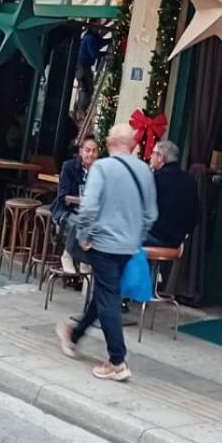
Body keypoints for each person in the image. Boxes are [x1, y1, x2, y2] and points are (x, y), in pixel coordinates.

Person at [56, 122, 156, 382]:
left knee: (108, 297)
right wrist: (136, 237)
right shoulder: (144, 170)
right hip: (128, 246)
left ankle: (117, 361)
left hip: (103, 243)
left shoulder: (102, 168)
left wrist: (83, 236)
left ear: (110, 143)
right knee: (105, 292)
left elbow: (89, 208)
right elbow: (150, 214)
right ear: (132, 144)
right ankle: (74, 335)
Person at [52, 135, 99, 268]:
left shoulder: (99, 171)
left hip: (89, 213)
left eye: (94, 151)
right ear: (81, 151)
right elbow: (63, 196)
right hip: (67, 211)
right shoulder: (69, 166)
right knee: (81, 222)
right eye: (87, 150)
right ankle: (67, 254)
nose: (91, 154)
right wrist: (83, 201)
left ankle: (85, 261)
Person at [146, 140, 198, 250]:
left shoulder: (155, 178)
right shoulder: (190, 181)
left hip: (154, 237)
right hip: (177, 241)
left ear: (160, 157)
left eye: (153, 153)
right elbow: (195, 215)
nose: (150, 156)